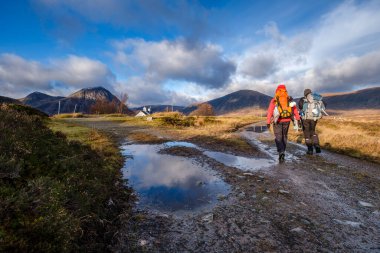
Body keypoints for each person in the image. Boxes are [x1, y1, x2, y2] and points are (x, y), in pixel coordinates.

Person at [267, 84, 301, 162]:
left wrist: (268, 122)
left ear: (277, 91)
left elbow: (270, 111)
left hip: (277, 121)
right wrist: (298, 119)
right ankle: (283, 151)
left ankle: (281, 152)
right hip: (287, 121)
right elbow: (295, 110)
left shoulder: (274, 100)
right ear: (285, 90)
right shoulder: (289, 99)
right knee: (284, 136)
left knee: (278, 137)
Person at [298, 88, 326, 155]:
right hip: (314, 118)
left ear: (305, 94)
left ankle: (310, 150)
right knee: (313, 132)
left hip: (305, 119)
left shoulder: (302, 99)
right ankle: (317, 145)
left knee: (307, 134)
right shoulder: (316, 98)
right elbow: (324, 105)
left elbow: (300, 106)